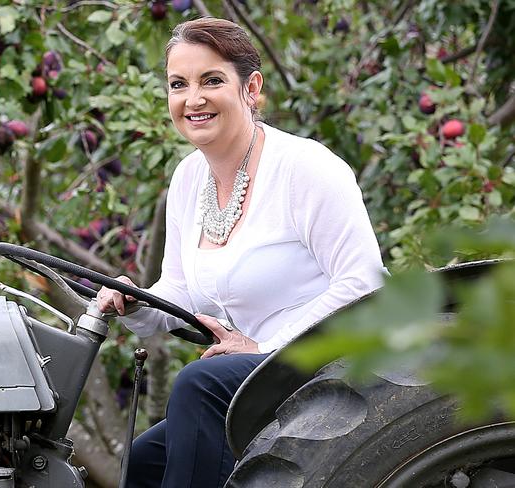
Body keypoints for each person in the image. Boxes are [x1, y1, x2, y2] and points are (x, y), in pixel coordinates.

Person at [96, 17, 386, 488]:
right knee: (144, 462)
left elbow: (365, 283)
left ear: (251, 87)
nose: (193, 99)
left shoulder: (305, 168)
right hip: (262, 375)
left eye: (212, 80)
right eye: (178, 84)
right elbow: (182, 290)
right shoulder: (188, 179)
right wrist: (136, 301)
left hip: (332, 363)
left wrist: (268, 349)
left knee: (198, 384)